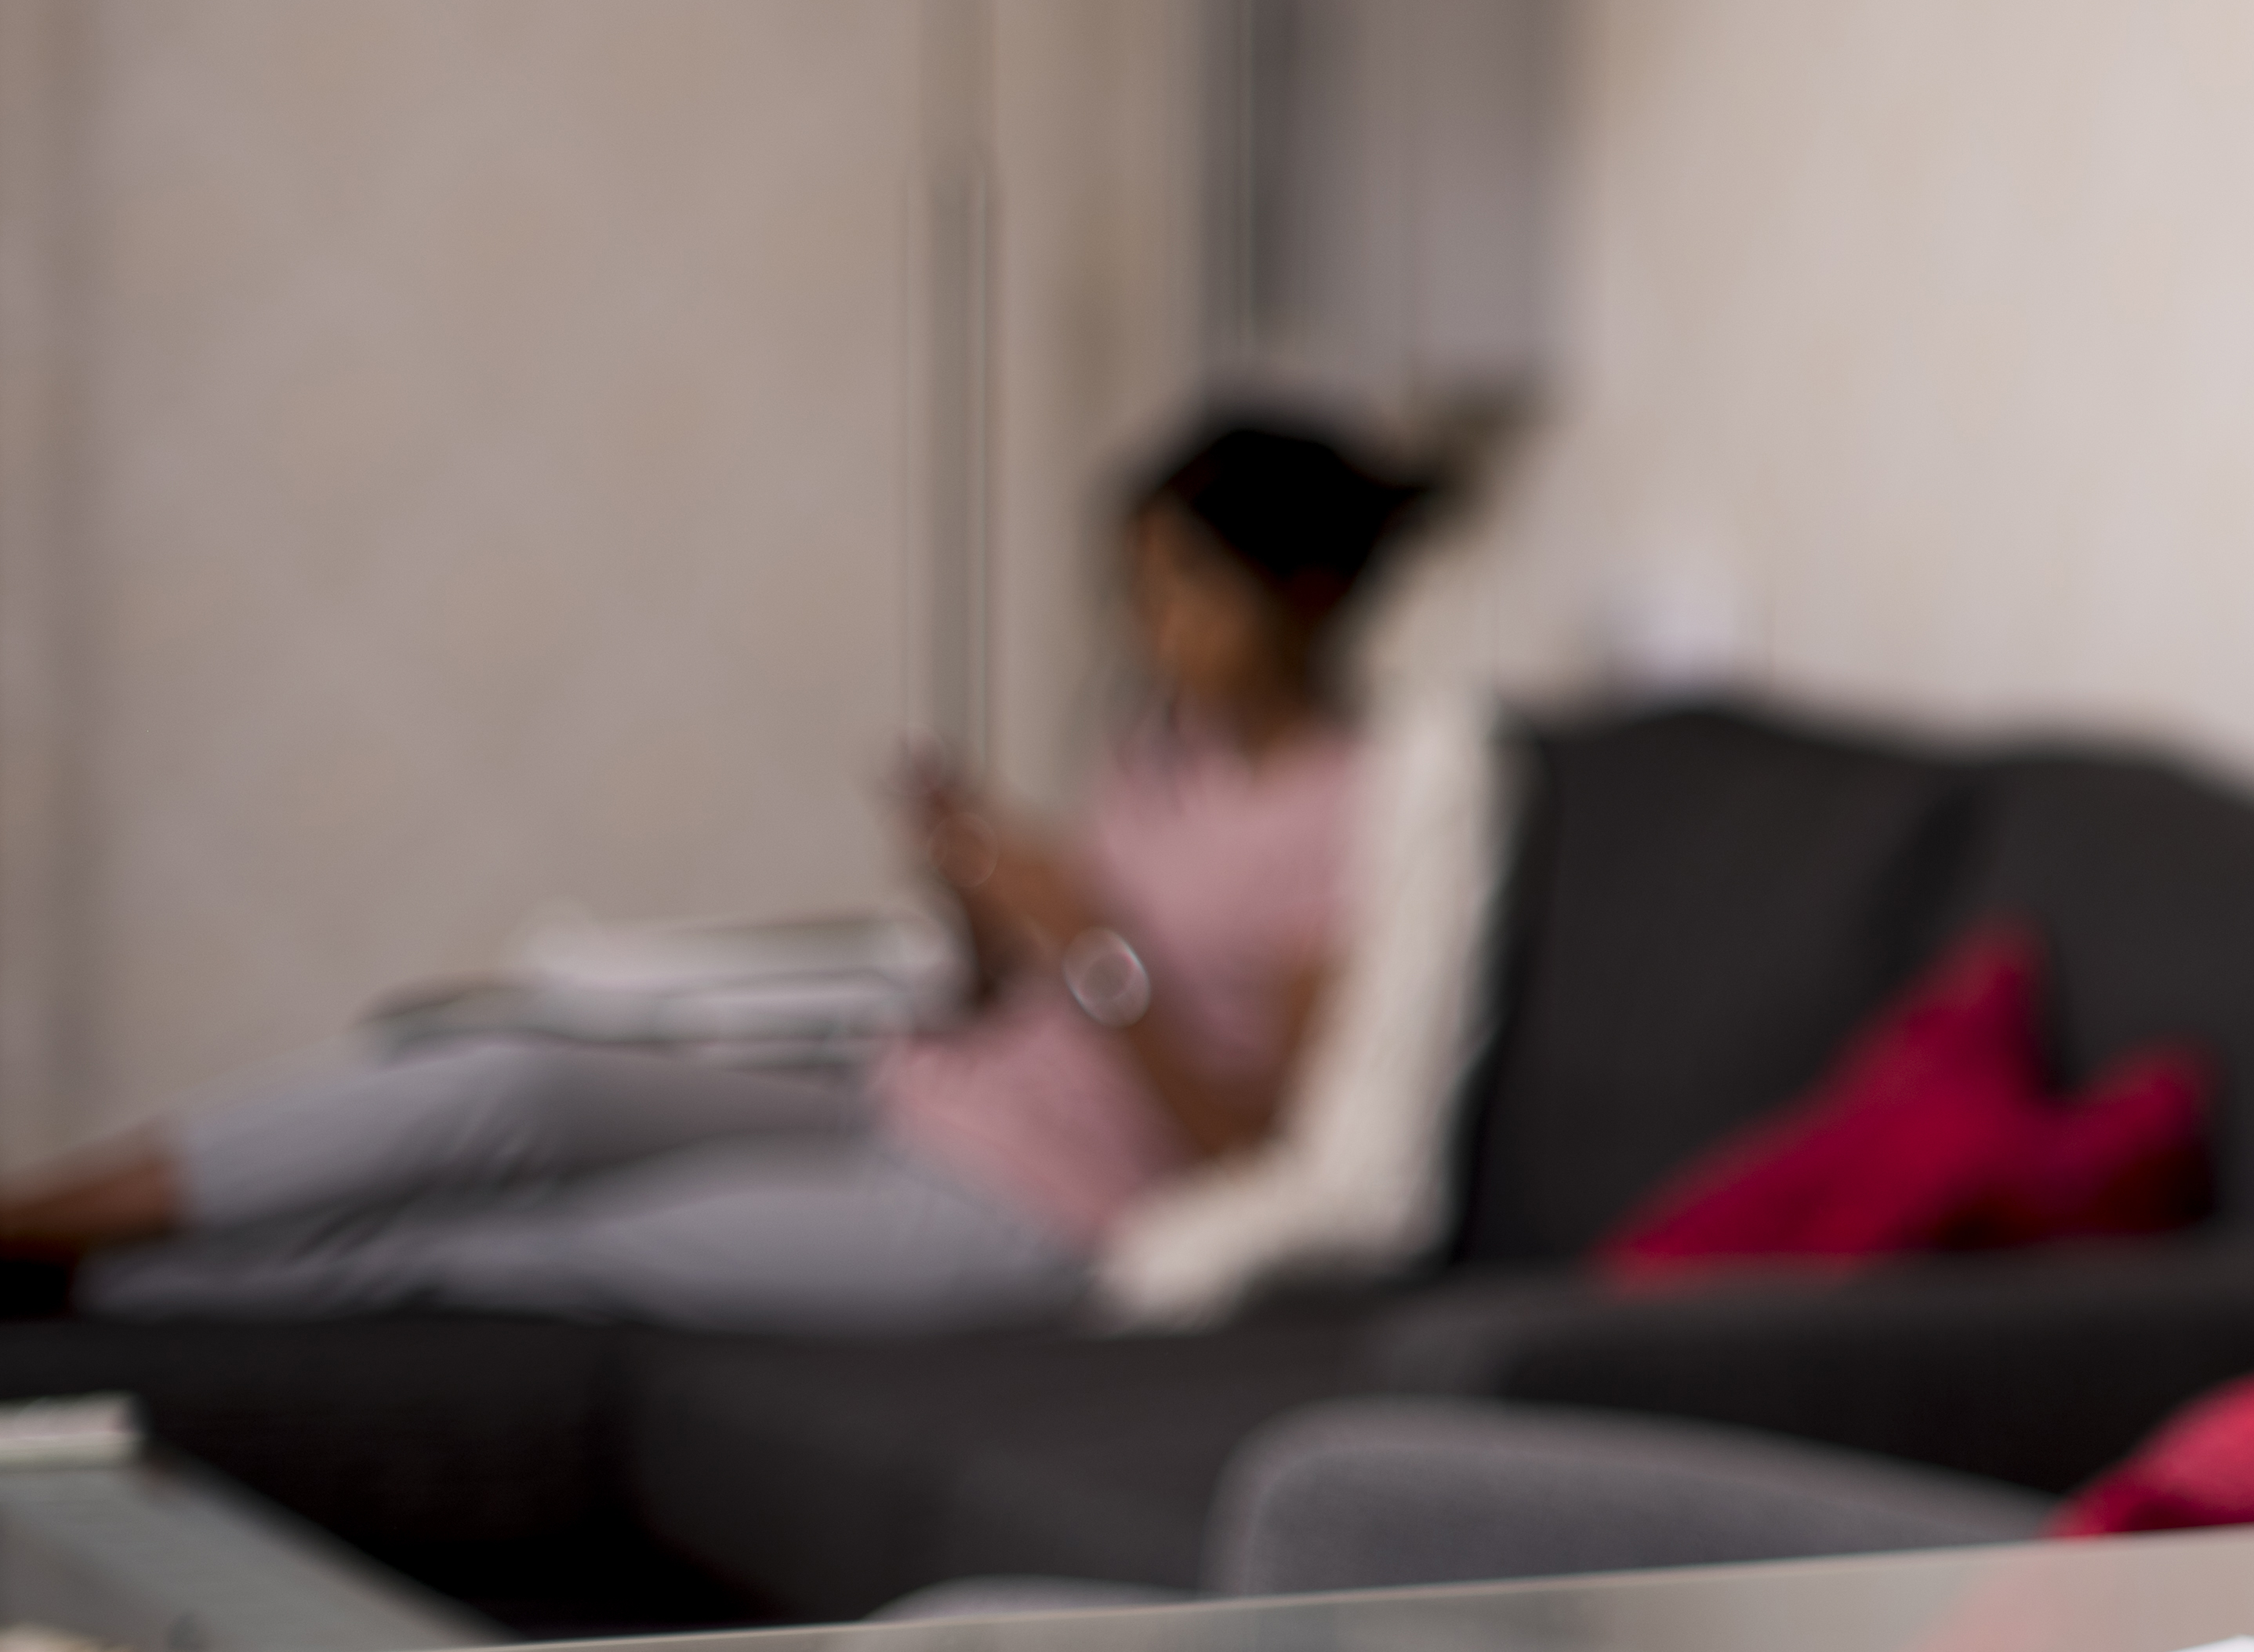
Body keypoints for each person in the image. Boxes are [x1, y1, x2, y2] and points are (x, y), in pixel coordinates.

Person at [0, 412, 1438, 1337]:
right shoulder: (1158, 751)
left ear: (1301, 590)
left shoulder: (1353, 812)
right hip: (908, 1098)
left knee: (534, 1248)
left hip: (1028, 1218)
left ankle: (87, 1294)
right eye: (1139, 588)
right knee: (505, 1082)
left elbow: (1264, 1143)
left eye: (1187, 587)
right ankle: (41, 1211)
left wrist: (1094, 946)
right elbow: (1039, 989)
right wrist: (991, 903)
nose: (1153, 623)